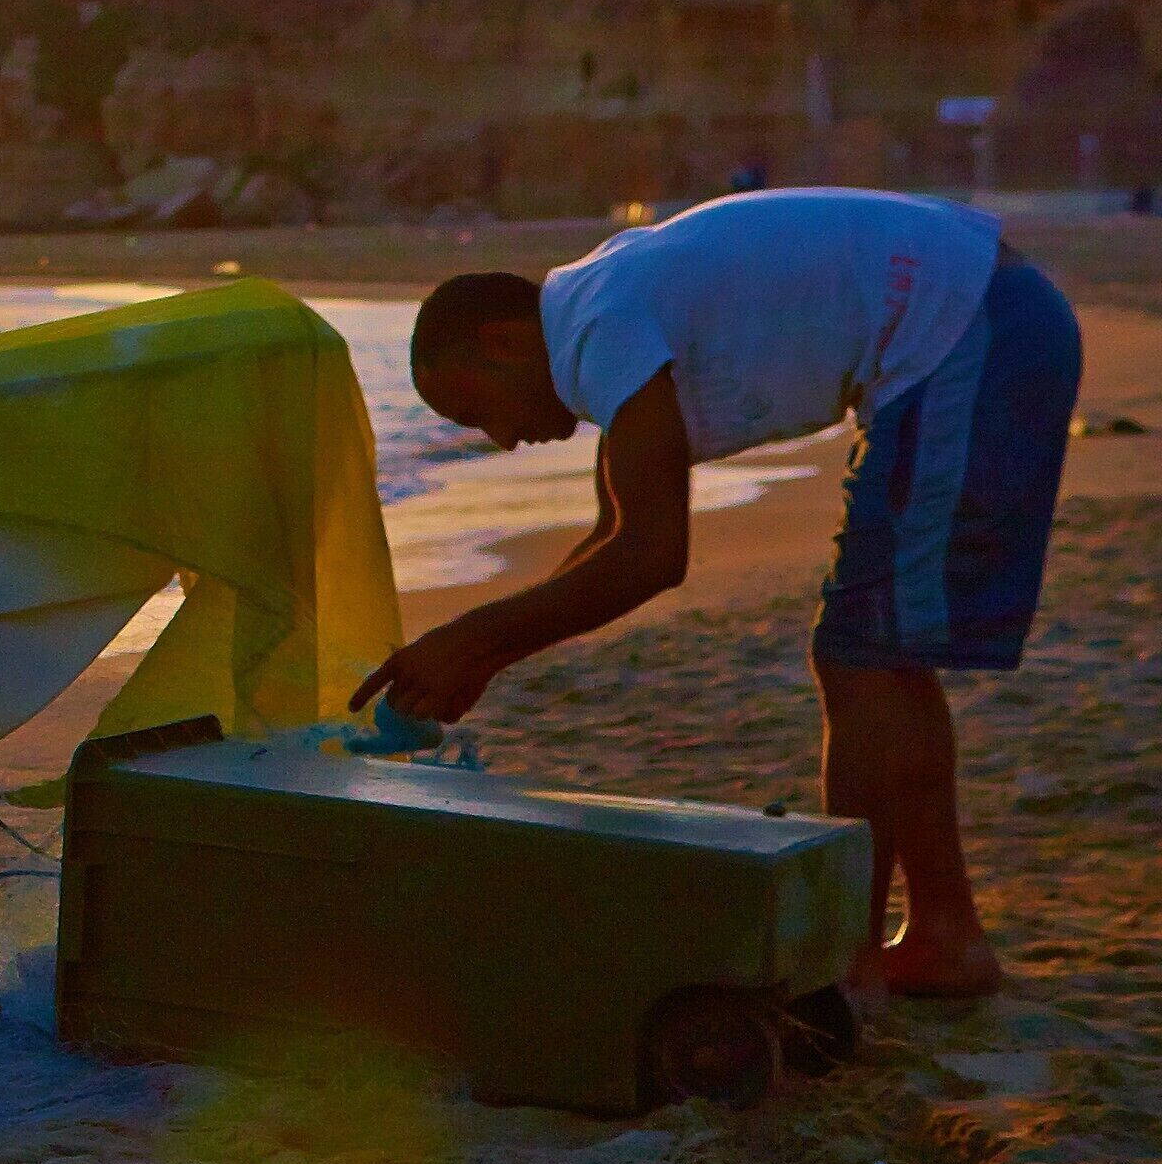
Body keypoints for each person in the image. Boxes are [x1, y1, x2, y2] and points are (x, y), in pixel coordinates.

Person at [364, 187, 1081, 1001]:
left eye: (474, 407)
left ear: (504, 340)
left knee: (864, 654)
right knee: (878, 650)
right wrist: (483, 654)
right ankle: (943, 935)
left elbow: (653, 555)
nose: (497, 437)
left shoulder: (601, 322)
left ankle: (847, 963)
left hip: (968, 328)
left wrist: (470, 638)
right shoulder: (599, 308)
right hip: (980, 316)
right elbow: (610, 537)